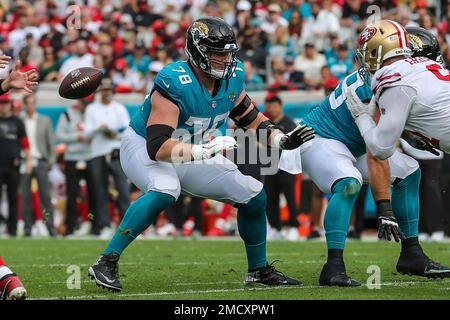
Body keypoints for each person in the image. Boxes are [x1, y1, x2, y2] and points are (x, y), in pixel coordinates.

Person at [88, 17, 314, 292]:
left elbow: (250, 118)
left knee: (253, 194)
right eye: (219, 53)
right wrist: (203, 149)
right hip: (145, 148)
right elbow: (157, 146)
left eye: (229, 53)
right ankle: (107, 261)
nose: (226, 60)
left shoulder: (233, 77)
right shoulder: (175, 81)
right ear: (198, 52)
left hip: (195, 149)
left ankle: (259, 270)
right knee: (165, 189)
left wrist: (281, 139)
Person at [279, 21, 450, 287]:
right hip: (320, 138)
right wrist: (384, 207)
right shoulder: (380, 82)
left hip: (354, 143)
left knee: (409, 171)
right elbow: (376, 151)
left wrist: (414, 133)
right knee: (348, 183)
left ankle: (411, 253)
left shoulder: (392, 76)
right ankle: (333, 265)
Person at [84, 78, 131, 238]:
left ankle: (128, 226)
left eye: (109, 90)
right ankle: (104, 224)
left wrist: (113, 132)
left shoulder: (119, 108)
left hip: (115, 152)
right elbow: (87, 132)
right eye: (104, 90)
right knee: (100, 191)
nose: (106, 93)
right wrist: (100, 129)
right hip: (97, 152)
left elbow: (127, 129)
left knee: (123, 190)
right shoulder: (92, 109)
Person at [55, 99, 95, 237]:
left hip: (90, 156)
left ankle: (93, 225)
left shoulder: (93, 113)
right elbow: (60, 135)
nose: (86, 106)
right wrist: (78, 137)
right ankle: (70, 227)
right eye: (84, 103)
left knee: (93, 193)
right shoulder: (67, 114)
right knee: (72, 194)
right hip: (72, 157)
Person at [263, 94, 300, 241]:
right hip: (270, 165)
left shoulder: (289, 123)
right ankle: (275, 227)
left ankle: (294, 227)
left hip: (286, 166)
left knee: (290, 198)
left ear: (280, 106)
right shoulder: (266, 124)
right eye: (269, 105)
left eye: (274, 105)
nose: (272, 108)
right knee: (271, 199)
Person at [21, 94, 56, 237]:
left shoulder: (44, 120)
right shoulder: (20, 121)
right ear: (24, 105)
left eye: (32, 103)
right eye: (28, 103)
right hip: (25, 162)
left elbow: (51, 143)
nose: (30, 106)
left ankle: (50, 226)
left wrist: (50, 162)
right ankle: (27, 227)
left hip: (41, 161)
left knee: (45, 198)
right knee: (25, 197)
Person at [0, 94, 31, 237]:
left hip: (13, 166)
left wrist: (28, 161)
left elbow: (25, 144)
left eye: (5, 103)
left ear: (10, 105)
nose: (3, 106)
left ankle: (12, 229)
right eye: (1, 103)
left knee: (13, 198)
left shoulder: (18, 122)